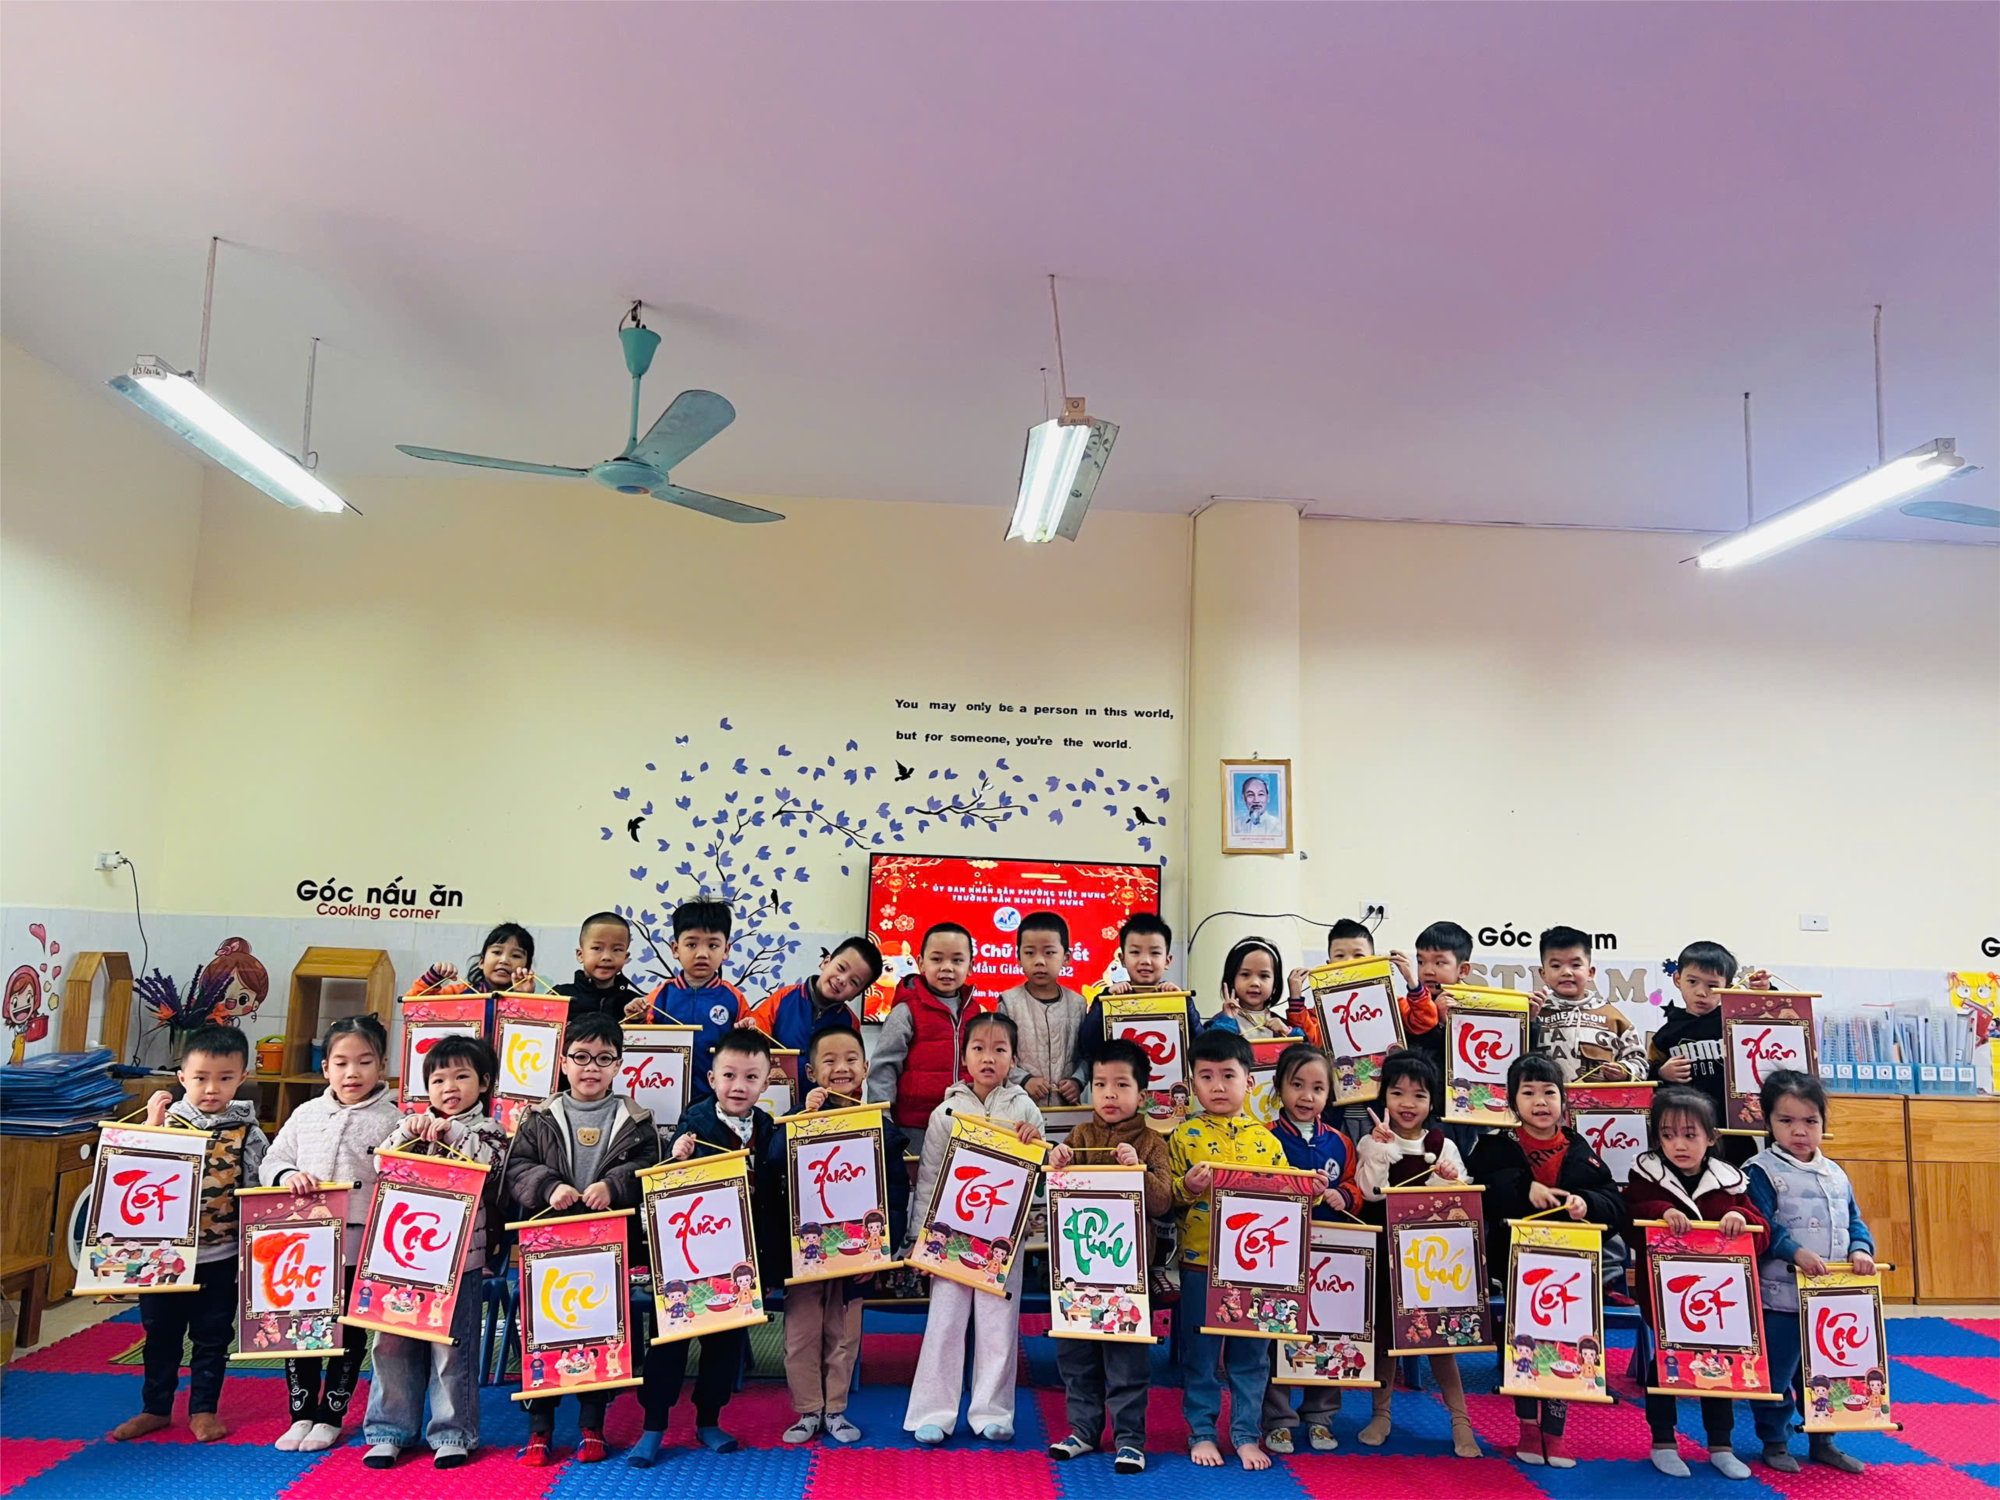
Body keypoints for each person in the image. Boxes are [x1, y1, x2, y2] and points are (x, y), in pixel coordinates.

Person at [504, 1013, 661, 1465]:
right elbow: (517, 1168)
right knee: (542, 1329)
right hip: (547, 1240)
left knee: (600, 1330)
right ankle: (540, 1427)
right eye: (581, 1057)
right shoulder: (538, 1116)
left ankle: (593, 1425)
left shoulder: (635, 1118)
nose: (592, 1067)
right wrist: (549, 1186)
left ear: (619, 1065)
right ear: (563, 1062)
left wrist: (613, 1185)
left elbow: (649, 1167)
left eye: (604, 1058)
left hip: (606, 1242)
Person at [108, 1024, 270, 1445]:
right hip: (164, 1256)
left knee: (212, 1335)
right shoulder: (169, 1122)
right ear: (182, 1077)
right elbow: (133, 1173)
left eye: (225, 1078)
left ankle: (203, 1409)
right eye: (200, 1078)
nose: (211, 1089)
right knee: (159, 1332)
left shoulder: (248, 1132)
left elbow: (259, 1189)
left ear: (243, 1076)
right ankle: (155, 1408)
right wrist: (152, 1123)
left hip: (221, 1254)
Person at [632, 1027, 782, 1466]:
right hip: (688, 1254)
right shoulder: (694, 1123)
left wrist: (770, 1266)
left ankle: (709, 1420)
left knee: (725, 1344)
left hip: (739, 1259)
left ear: (765, 1082)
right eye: (729, 1075)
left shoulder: (768, 1128)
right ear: (712, 1078)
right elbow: (664, 1185)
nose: (739, 1086)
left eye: (751, 1077)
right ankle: (653, 1427)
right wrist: (675, 1157)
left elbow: (775, 1197)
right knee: (669, 1342)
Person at [1469, 1053, 1626, 1468]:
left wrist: (1586, 1203)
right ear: (1512, 1101)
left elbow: (1615, 1207)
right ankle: (1527, 1429)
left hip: (1571, 1272)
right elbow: (1480, 1193)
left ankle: (1554, 1435)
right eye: (1529, 1093)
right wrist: (1524, 1187)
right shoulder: (1494, 1147)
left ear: (1564, 1100)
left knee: (1565, 1348)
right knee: (1524, 1347)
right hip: (1516, 1267)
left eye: (1549, 1092)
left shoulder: (1580, 1150)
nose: (1540, 1102)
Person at [362, 1035, 510, 1469]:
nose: (449, 1088)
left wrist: (455, 1131)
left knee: (452, 1347)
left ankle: (452, 1432)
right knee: (391, 1343)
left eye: (461, 1077)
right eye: (439, 1080)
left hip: (459, 1258)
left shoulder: (489, 1130)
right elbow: (381, 1164)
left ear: (484, 1083)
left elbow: (490, 1169)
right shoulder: (412, 1125)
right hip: (400, 1255)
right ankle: (388, 1429)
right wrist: (406, 1132)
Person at [260, 1014, 402, 1452]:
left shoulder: (393, 1121)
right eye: (341, 1063)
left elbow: (400, 1179)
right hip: (304, 1244)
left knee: (348, 1331)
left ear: (382, 1065)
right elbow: (272, 1160)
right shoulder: (305, 1114)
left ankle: (331, 1414)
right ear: (325, 1067)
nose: (352, 1072)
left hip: (360, 1244)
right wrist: (288, 1175)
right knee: (302, 1329)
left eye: (364, 1062)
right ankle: (300, 1412)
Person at [904, 1013, 1045, 1446]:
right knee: (944, 1321)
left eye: (1000, 1049)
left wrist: (1034, 1141)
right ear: (963, 1056)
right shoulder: (946, 1111)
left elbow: (1038, 1176)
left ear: (1014, 1058)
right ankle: (933, 1412)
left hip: (1004, 1238)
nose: (989, 1058)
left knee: (998, 1324)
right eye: (979, 1049)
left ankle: (993, 1412)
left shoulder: (1025, 1108)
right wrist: (920, 1239)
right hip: (950, 1234)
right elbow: (929, 1177)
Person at [1042, 1037, 1171, 1474]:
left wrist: (1138, 1169)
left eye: (1121, 1085)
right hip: (1077, 1271)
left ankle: (1130, 1439)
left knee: (1126, 1360)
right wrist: (1058, 1161)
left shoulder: (1152, 1142)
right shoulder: (1080, 1135)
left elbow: (1162, 1202)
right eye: (1100, 1085)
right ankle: (1083, 1429)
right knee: (1076, 1355)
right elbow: (1055, 1191)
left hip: (1128, 1275)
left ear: (1142, 1094)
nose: (1109, 1094)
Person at [1624, 1085, 1765, 1480]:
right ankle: (1663, 1442)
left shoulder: (1730, 1181)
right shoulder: (1645, 1176)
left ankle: (1721, 1445)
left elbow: (1762, 1234)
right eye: (1668, 1136)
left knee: (1718, 1367)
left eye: (1690, 1135)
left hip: (1719, 1301)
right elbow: (1628, 1220)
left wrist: (1742, 1220)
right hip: (1667, 1297)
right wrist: (1659, 1212)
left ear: (1711, 1137)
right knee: (1666, 1364)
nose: (1679, 1145)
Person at [778, 1022, 910, 1445]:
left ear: (866, 1068)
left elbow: (896, 1192)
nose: (841, 1068)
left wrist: (882, 1250)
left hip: (856, 1254)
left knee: (844, 1335)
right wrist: (804, 1117)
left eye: (851, 1059)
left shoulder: (880, 1127)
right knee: (801, 1335)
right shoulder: (795, 1122)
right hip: (805, 1255)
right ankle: (807, 1411)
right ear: (811, 1072)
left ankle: (835, 1410)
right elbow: (772, 1163)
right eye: (830, 1061)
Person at [1168, 1027, 1288, 1471]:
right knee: (1200, 1355)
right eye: (1206, 1077)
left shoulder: (1268, 1141)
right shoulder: (1183, 1136)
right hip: (1200, 1263)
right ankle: (1201, 1432)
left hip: (1257, 1268)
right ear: (1192, 1083)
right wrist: (1186, 1186)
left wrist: (1310, 1192)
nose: (1217, 1086)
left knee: (1251, 1356)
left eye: (1228, 1075)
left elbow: (1287, 1201)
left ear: (1249, 1081)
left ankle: (1246, 1434)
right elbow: (1165, 1199)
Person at [1745, 1070, 1875, 1476]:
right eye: (1786, 1121)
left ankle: (1824, 1439)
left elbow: (1855, 1220)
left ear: (1823, 1122)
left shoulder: (1835, 1172)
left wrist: (1860, 1249)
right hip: (1779, 1295)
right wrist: (1795, 1252)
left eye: (1810, 1121)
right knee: (1777, 1371)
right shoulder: (1758, 1170)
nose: (1799, 1131)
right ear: (1768, 1121)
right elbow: (1762, 1225)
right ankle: (1775, 1440)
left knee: (1826, 1370)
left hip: (1830, 1298)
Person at [1352, 1048, 1479, 1457]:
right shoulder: (1371, 1141)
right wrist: (1381, 1151)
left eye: (1419, 1095)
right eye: (1397, 1093)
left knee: (1441, 1339)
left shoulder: (1442, 1144)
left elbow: (1461, 1203)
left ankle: (1460, 1421)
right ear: (1383, 1097)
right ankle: (1381, 1414)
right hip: (1386, 1253)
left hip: (1432, 1260)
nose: (1407, 1104)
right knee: (1386, 1337)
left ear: (1431, 1100)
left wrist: (1448, 1180)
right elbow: (1371, 1192)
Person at [1260, 1042, 1359, 1453]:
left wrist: (1344, 1196)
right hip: (1279, 1254)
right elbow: (1255, 1189)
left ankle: (1320, 1416)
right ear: (1279, 1086)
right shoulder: (1264, 1138)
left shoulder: (1340, 1142)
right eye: (1297, 1085)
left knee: (1328, 1332)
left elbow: (1355, 1185)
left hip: (1329, 1254)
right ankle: (1278, 1419)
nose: (1306, 1096)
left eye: (1318, 1088)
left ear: (1329, 1093)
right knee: (1276, 1332)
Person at [866, 920, 998, 1133]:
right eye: (937, 959)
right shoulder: (906, 1010)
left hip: (965, 1124)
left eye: (957, 960)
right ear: (921, 963)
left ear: (970, 966)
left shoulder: (976, 1013)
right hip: (915, 1125)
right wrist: (882, 1118)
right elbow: (885, 1065)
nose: (947, 967)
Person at [625, 901, 747, 1096]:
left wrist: (749, 1030)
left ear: (726, 950)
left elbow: (749, 1047)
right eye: (691, 944)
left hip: (718, 1096)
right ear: (675, 949)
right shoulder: (660, 996)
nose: (702, 954)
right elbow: (638, 1043)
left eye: (713, 945)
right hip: (664, 1091)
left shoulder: (734, 998)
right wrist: (636, 1019)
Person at [1071, 913, 1204, 1085]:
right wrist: (1103, 1001)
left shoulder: (1178, 998)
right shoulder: (1111, 999)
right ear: (1122, 959)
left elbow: (1200, 1045)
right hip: (1118, 1093)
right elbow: (1088, 1044)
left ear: (1167, 961)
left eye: (1155, 953)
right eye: (1135, 952)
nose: (1145, 960)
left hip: (1170, 1094)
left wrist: (1183, 1004)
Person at [1529, 926, 1643, 1084]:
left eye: (1576, 965)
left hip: (1597, 1099)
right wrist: (1530, 1021)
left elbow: (1641, 1063)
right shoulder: (1533, 1011)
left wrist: (1625, 1071)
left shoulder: (1612, 1017)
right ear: (1544, 975)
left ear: (1590, 972)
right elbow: (1512, 1060)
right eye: (1556, 966)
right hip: (1543, 1098)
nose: (1566, 972)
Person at [997, 911, 1089, 1107]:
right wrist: (1024, 1079)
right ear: (1018, 958)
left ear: (1066, 957)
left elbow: (1085, 1055)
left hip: (1066, 1109)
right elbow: (998, 1054)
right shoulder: (1008, 1002)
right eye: (1030, 953)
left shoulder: (1078, 1004)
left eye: (1049, 952)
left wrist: (1077, 1081)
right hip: (1019, 1107)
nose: (1039, 961)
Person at [742, 936, 883, 1054]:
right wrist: (749, 1029)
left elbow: (851, 1067)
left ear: (856, 994)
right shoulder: (784, 997)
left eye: (853, 982)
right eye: (841, 968)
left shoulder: (850, 1024)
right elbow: (756, 1036)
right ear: (825, 962)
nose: (842, 980)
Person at [1284, 918, 1416, 1038]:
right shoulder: (1323, 1008)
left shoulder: (1390, 1000)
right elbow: (1309, 1039)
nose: (1348, 962)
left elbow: (1420, 1023)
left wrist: (1412, 981)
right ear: (1329, 964)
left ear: (1374, 961)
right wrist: (1295, 997)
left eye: (1358, 955)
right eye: (1340, 956)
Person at [410, 922, 536, 1031]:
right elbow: (411, 1009)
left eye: (516, 956)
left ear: (527, 967)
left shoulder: (537, 1004)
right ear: (481, 962)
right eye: (497, 952)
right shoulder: (458, 994)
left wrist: (523, 998)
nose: (504, 960)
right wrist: (433, 977)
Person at [557, 911, 645, 1023]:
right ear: (580, 955)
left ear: (625, 957)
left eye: (617, 949)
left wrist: (636, 1019)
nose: (606, 957)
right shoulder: (560, 996)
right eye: (597, 948)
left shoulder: (634, 1003)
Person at [1211, 937, 1300, 1042]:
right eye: (1245, 974)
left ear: (1275, 982)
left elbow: (1305, 1050)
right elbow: (1211, 1049)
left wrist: (1288, 1032)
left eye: (1264, 976)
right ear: (1231, 978)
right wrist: (1227, 1021)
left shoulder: (1283, 1026)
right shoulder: (1219, 1023)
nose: (1255, 983)